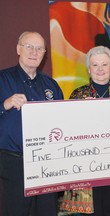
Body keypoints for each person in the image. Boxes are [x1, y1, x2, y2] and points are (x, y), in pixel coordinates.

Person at [61, 45, 110, 216]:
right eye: (95, 65)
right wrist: (81, 112)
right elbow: (69, 133)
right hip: (87, 170)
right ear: (88, 68)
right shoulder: (77, 96)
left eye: (104, 64)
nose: (100, 69)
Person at [0, 31, 64, 215]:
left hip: (46, 163)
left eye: (39, 49)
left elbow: (62, 121)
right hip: (14, 163)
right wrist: (5, 104)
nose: (34, 52)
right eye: (29, 47)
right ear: (18, 49)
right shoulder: (3, 79)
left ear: (44, 54)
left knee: (47, 212)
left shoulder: (52, 85)